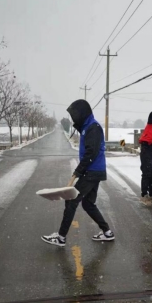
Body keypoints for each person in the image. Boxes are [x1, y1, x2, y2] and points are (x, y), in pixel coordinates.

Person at [41, 99, 114, 247]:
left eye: (75, 114)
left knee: (71, 200)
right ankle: (107, 233)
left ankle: (61, 238)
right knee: (88, 204)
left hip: (92, 171)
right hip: (95, 171)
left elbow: (91, 153)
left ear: (82, 113)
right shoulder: (88, 127)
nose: (74, 118)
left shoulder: (93, 127)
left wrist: (78, 171)